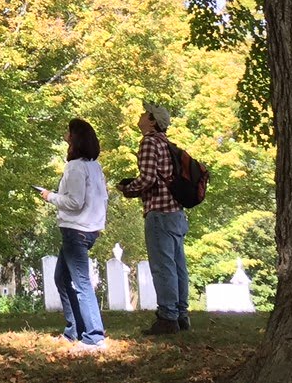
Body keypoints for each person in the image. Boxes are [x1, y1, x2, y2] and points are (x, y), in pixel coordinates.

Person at [36, 117, 108, 351]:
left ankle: (94, 336)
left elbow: (75, 202)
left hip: (76, 230)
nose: (65, 135)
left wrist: (50, 197)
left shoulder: (76, 166)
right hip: (88, 229)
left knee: (81, 282)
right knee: (62, 278)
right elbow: (100, 200)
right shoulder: (95, 167)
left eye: (69, 132)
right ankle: (74, 331)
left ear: (76, 139)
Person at [119, 102, 191, 334]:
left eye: (145, 113)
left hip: (160, 212)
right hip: (176, 212)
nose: (140, 115)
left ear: (152, 121)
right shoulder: (167, 144)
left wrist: (129, 188)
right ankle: (181, 315)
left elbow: (148, 178)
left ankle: (168, 317)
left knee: (162, 266)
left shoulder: (149, 142)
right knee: (178, 265)